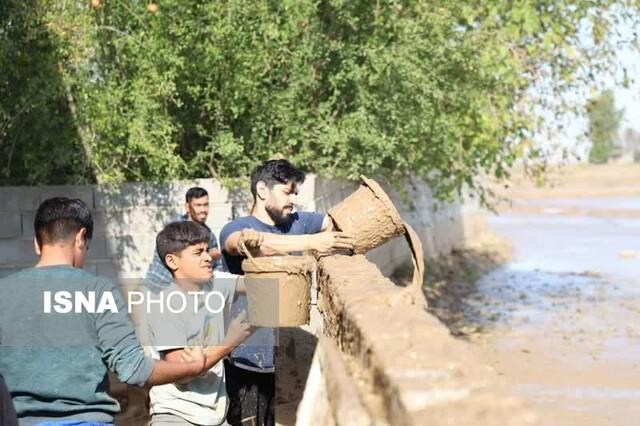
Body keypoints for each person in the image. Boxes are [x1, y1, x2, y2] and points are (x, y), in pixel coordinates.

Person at [0, 197, 210, 425]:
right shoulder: (98, 291)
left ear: (36, 243)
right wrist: (194, 367)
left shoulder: (4, 291)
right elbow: (134, 369)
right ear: (81, 238)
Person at [219, 159, 355, 426]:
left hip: (291, 357)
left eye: (295, 192)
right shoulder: (235, 228)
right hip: (248, 359)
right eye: (287, 191)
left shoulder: (299, 222)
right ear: (262, 190)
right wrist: (314, 242)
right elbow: (247, 246)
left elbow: (342, 224)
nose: (293, 199)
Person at [147, 221, 252, 426]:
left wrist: (259, 251)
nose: (207, 258)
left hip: (216, 416)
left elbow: (262, 285)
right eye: (197, 253)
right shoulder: (163, 304)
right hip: (177, 415)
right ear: (172, 261)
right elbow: (182, 374)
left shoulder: (215, 283)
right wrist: (230, 342)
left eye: (206, 250)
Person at [145, 187, 222, 291]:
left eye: (206, 205)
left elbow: (216, 267)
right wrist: (211, 255)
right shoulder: (175, 228)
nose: (203, 210)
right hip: (158, 285)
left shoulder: (209, 234)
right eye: (198, 205)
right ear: (187, 207)